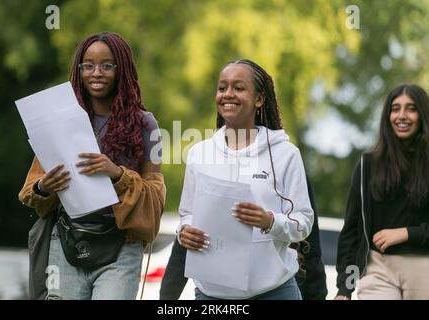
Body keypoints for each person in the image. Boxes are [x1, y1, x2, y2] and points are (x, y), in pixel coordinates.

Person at [18, 32, 166, 300]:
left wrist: (118, 174)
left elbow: (155, 198)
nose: (96, 73)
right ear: (79, 70)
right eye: (88, 65)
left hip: (122, 247)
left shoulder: (147, 126)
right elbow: (31, 191)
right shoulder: (58, 120)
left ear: (123, 70)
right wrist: (44, 187)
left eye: (107, 65)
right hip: (66, 244)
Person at [177, 59, 314, 300]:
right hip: (212, 296)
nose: (228, 94)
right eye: (222, 88)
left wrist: (269, 221)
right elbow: (186, 214)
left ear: (259, 99)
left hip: (274, 293)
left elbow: (303, 223)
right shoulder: (200, 153)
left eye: (238, 88)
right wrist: (184, 231)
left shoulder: (285, 153)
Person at [160, 175, 327, 300]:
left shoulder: (285, 161)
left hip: (276, 288)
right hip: (216, 293)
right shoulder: (213, 165)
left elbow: (310, 244)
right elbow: (189, 240)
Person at [335, 84, 429, 300]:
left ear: (423, 114)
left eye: (411, 108)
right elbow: (352, 230)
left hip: (424, 266)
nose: (401, 115)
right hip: (378, 269)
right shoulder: (367, 164)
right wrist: (344, 289)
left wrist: (406, 233)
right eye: (395, 109)